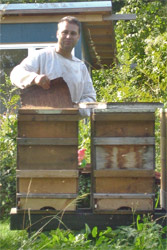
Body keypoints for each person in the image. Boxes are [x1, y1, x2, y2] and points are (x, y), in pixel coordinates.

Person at [10, 16, 96, 116]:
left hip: (70, 125)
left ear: (78, 37)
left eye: (73, 33)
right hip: (39, 122)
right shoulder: (42, 56)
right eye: (65, 32)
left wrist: (76, 110)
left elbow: (90, 97)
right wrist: (35, 78)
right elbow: (15, 74)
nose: (68, 36)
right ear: (57, 34)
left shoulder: (81, 67)